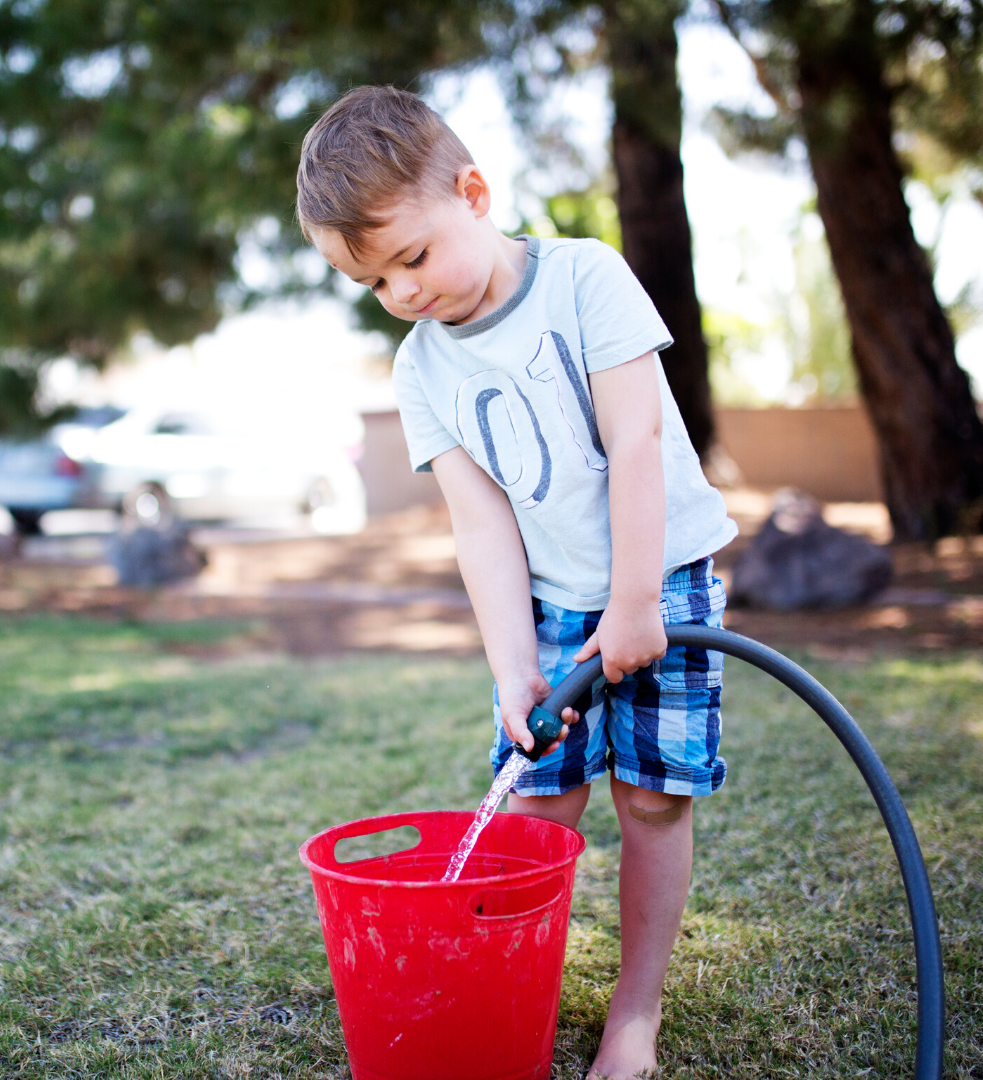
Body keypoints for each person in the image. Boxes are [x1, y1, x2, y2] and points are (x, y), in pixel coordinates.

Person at [296, 85, 737, 1080]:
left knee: (652, 803)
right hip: (547, 603)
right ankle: (506, 985)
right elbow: (482, 523)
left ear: (474, 193)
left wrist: (635, 600)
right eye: (374, 282)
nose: (403, 293)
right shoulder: (421, 369)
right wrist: (512, 667)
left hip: (660, 573)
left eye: (413, 257)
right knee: (535, 809)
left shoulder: (585, 278)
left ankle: (635, 1014)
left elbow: (636, 440)